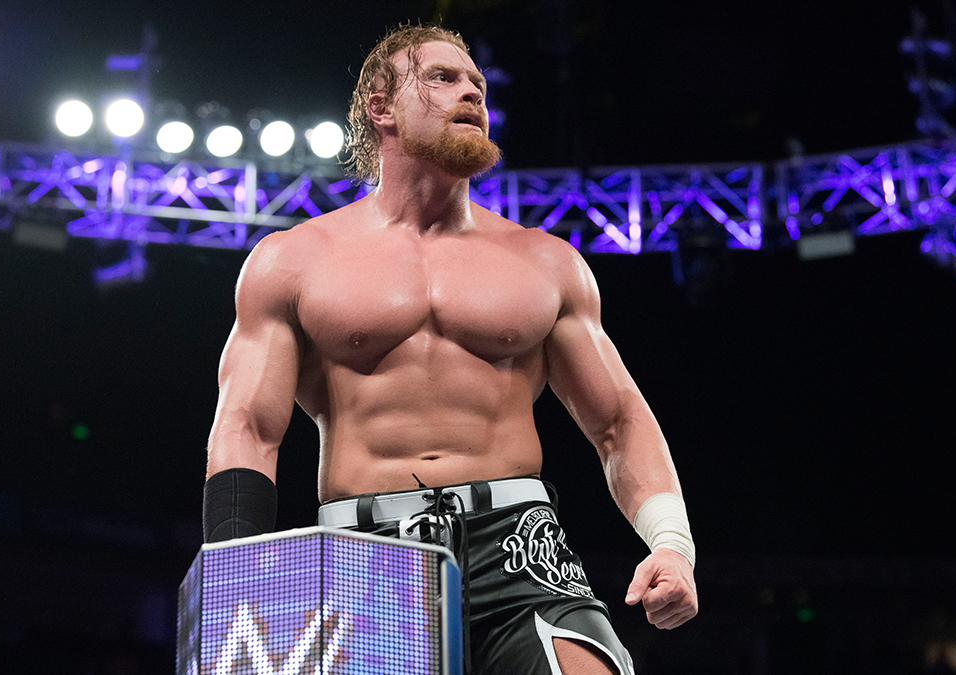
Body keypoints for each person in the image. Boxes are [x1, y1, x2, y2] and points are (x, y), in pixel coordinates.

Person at [203, 24, 697, 675]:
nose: (471, 93)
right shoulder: (293, 261)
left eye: (477, 84)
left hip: (520, 548)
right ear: (381, 107)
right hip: (365, 551)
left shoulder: (545, 262)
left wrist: (672, 544)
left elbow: (618, 420)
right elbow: (248, 425)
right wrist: (235, 568)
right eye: (442, 77)